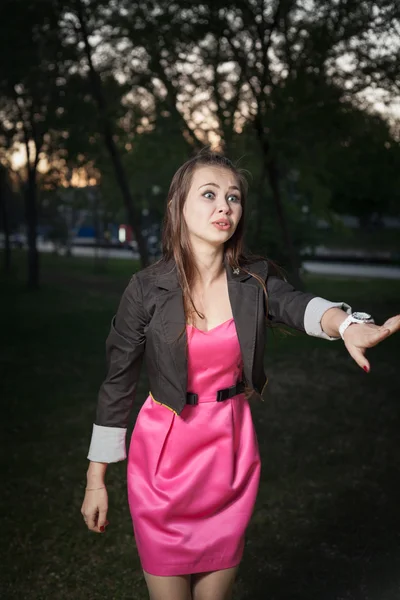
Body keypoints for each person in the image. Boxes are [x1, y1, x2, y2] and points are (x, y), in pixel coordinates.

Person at [81, 150, 400, 600]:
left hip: (228, 454)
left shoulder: (253, 280)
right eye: (208, 194)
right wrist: (96, 481)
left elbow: (297, 305)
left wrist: (346, 324)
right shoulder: (146, 289)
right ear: (179, 207)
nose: (224, 206)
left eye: (233, 197)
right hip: (163, 459)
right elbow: (117, 382)